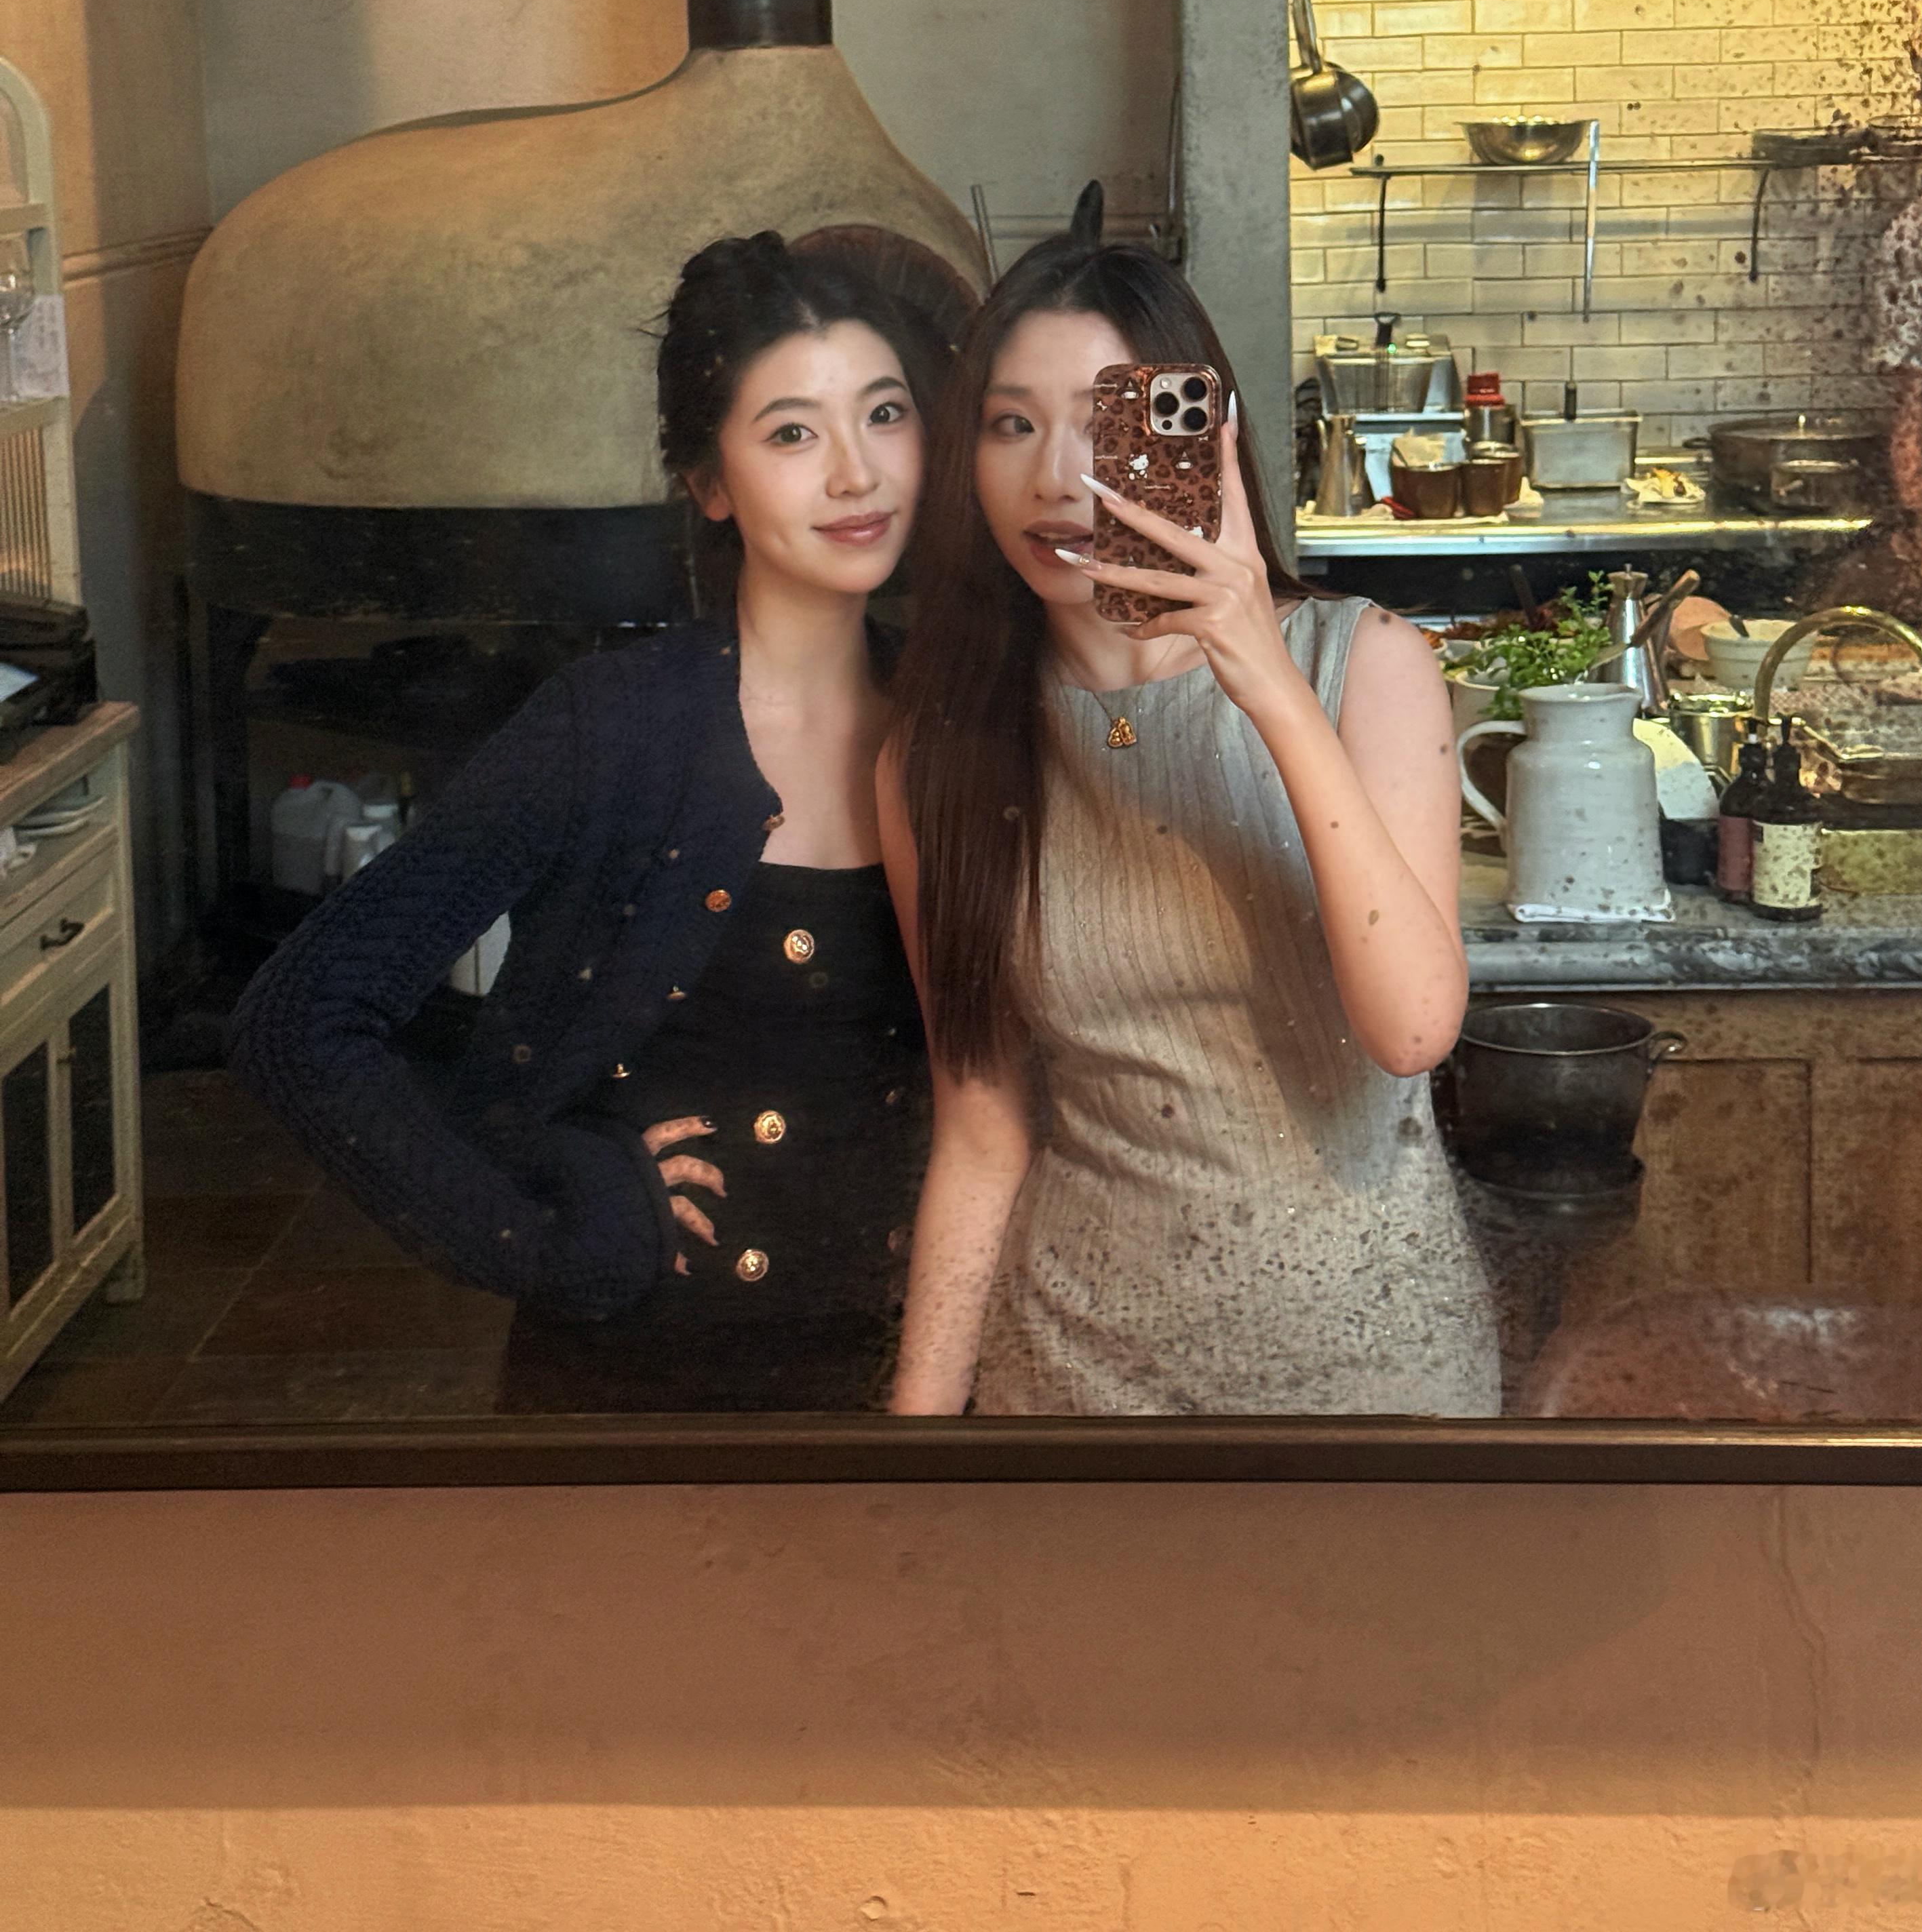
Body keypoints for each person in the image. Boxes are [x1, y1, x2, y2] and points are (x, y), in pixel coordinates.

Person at [231, 230, 960, 1413]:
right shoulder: (615, 728)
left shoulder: (963, 725)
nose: (856, 474)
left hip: (907, 1383)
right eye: (792, 433)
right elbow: (299, 1024)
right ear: (709, 483)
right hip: (640, 1393)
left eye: (884, 415)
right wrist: (542, 1235)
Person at [880, 218, 1499, 1417]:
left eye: (1105, 421)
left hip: (1375, 1377)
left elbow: (1413, 1029)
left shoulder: (1366, 663)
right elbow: (982, 1130)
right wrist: (916, 1443)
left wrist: (1261, 676)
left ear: (1199, 441)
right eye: (1011, 425)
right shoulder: (940, 752)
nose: (1056, 477)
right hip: (1069, 1381)